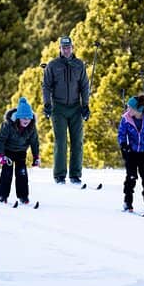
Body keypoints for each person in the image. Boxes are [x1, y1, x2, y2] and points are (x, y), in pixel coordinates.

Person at [41, 35, 90, 184]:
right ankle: (59, 175)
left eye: (68, 47)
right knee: (61, 142)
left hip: (75, 107)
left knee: (77, 142)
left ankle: (75, 175)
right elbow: (46, 86)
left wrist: (85, 105)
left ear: (72, 48)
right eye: (64, 47)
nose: (66, 50)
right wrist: (47, 104)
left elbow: (84, 86)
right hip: (59, 108)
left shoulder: (79, 65)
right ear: (60, 49)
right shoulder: (53, 65)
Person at [0, 96, 41, 205]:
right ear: (18, 117)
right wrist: (0, 155)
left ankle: (23, 196)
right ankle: (2, 195)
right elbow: (1, 140)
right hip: (8, 152)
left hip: (21, 152)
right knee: (7, 173)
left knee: (22, 174)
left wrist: (36, 157)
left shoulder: (31, 127)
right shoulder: (8, 125)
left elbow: (34, 142)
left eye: (28, 118)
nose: (26, 120)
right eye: (23, 118)